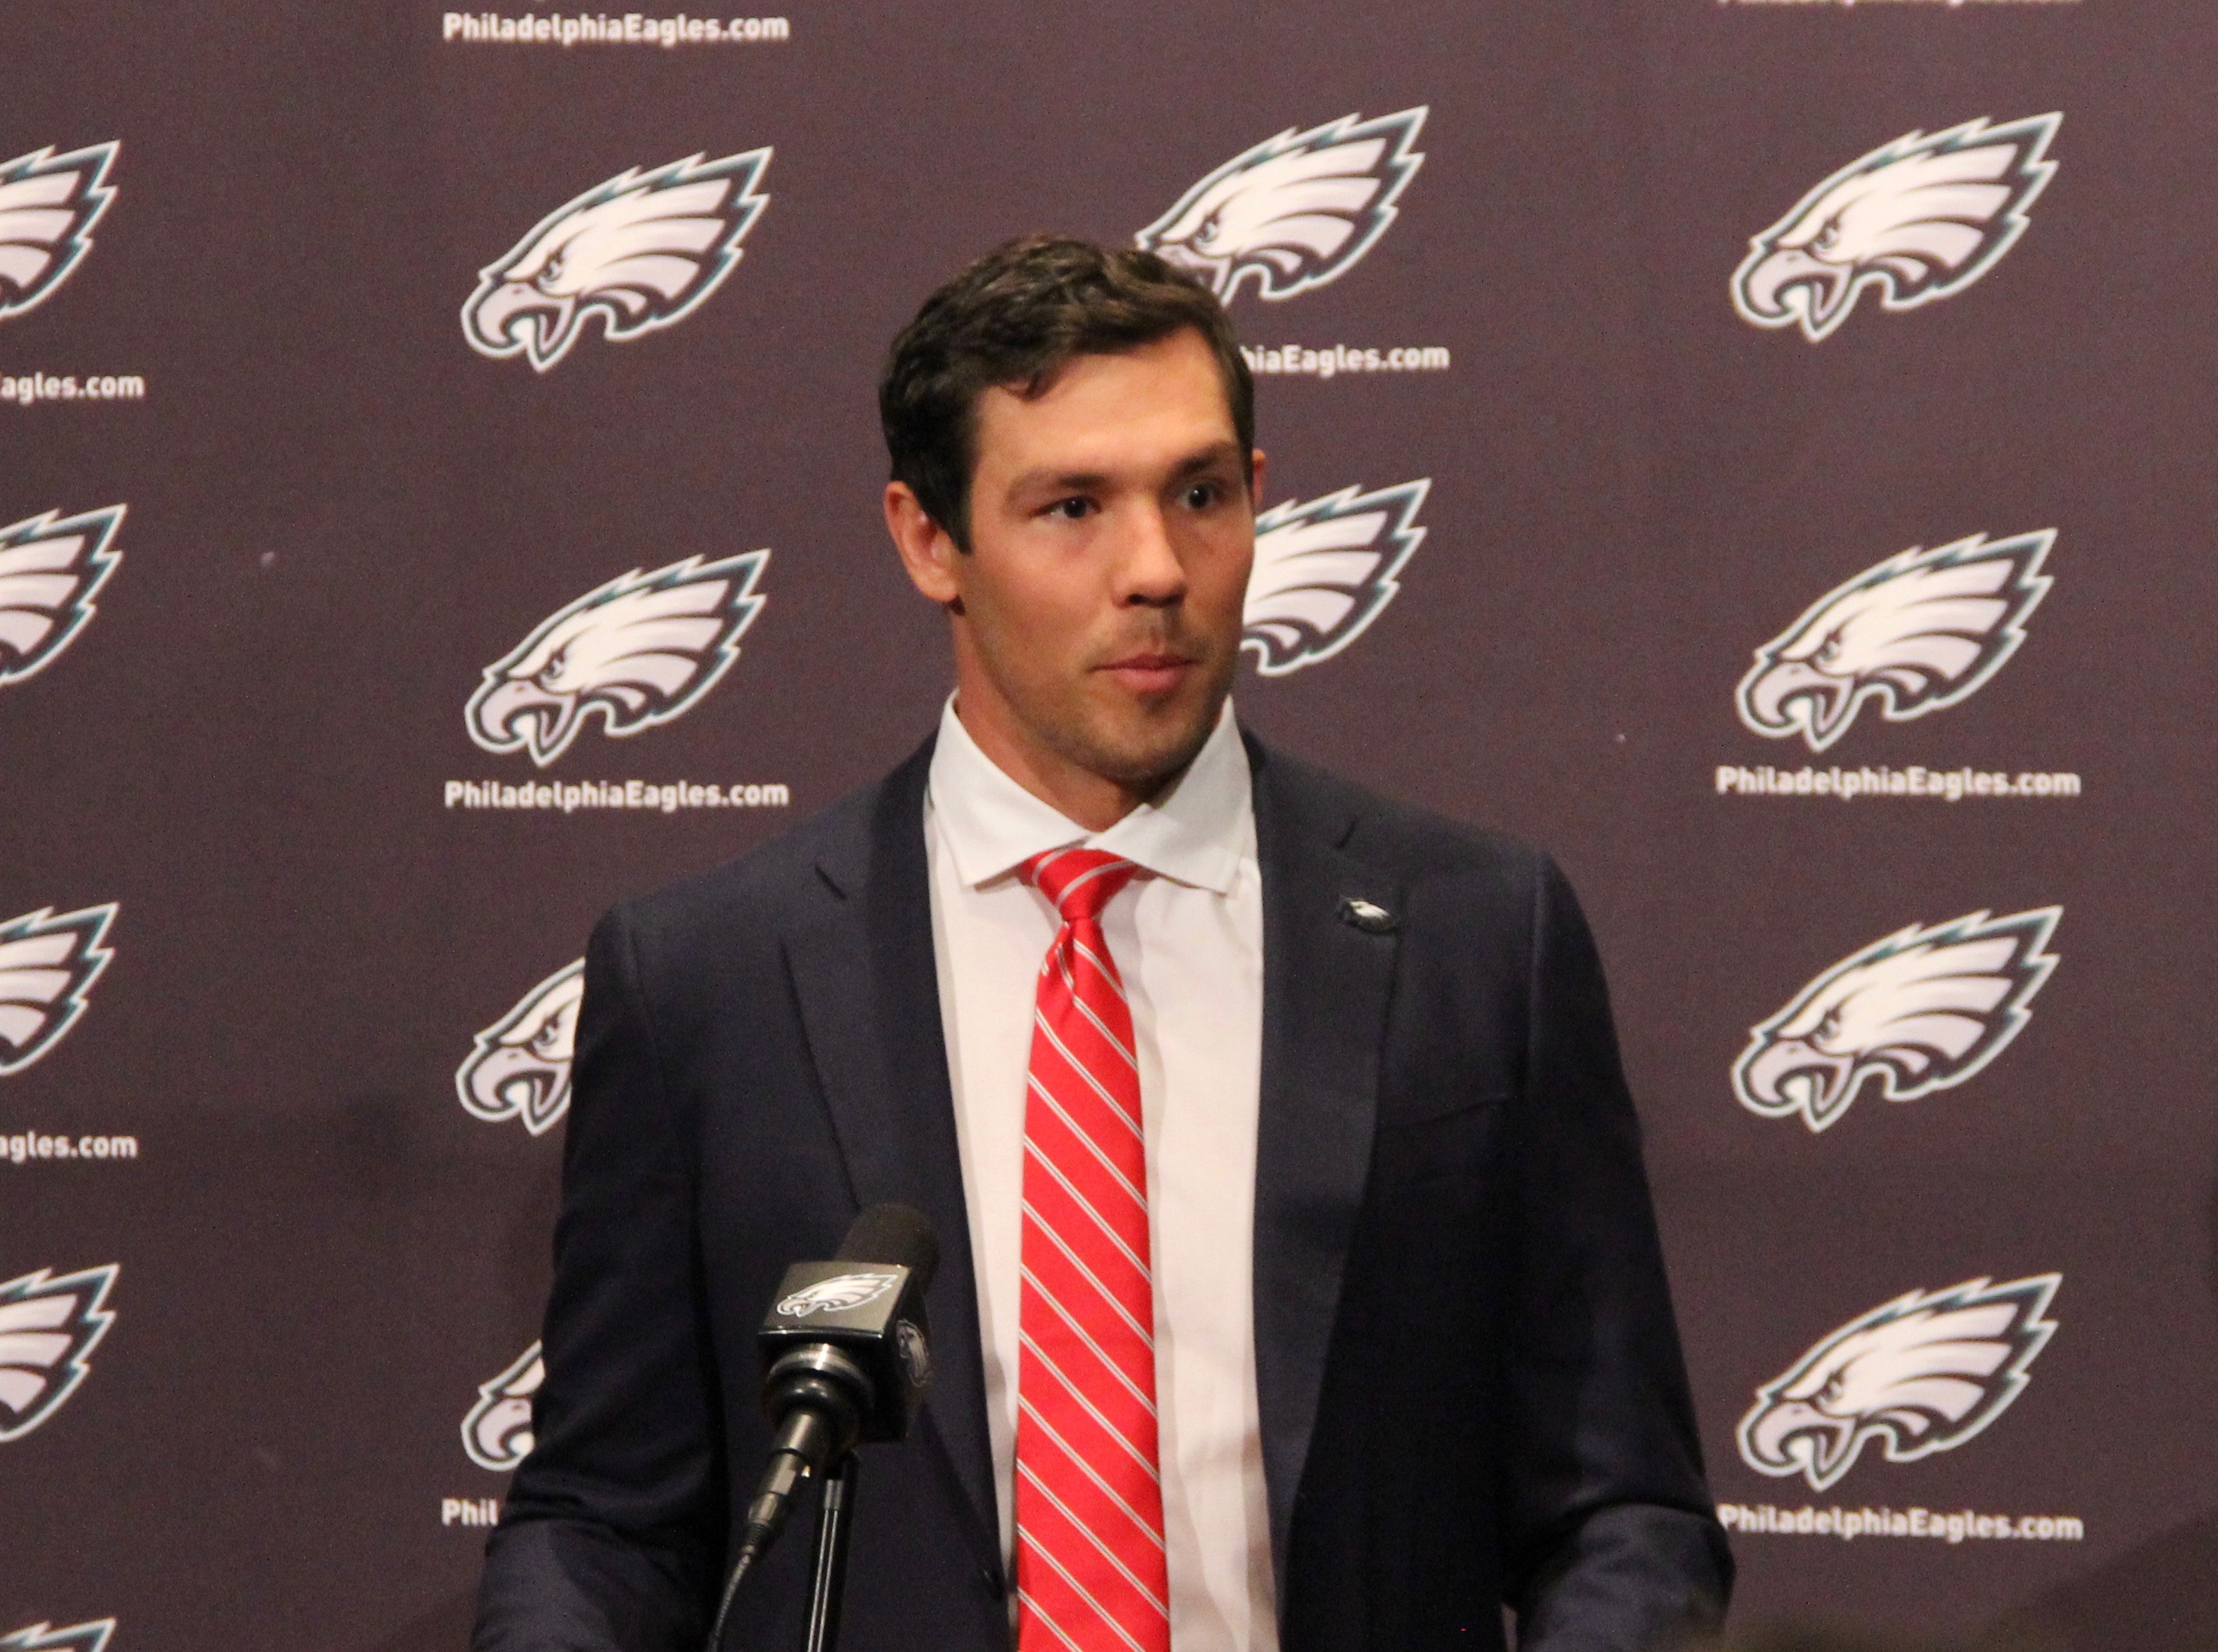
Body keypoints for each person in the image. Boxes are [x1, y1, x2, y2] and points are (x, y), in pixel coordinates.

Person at [473, 236, 1730, 1652]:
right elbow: (607, 1521)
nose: (1157, 569)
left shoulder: (1477, 939)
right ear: (928, 540)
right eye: (1072, 507)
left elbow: (1622, 1513)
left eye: (1200, 494)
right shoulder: (710, 980)